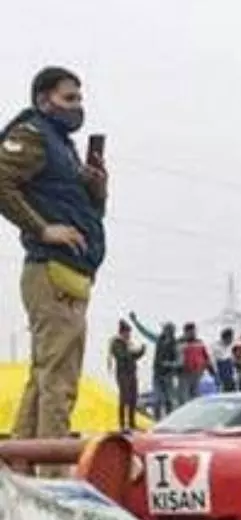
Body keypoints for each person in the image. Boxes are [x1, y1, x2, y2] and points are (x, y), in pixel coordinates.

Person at [0, 66, 107, 452]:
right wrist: (43, 229)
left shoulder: (63, 146)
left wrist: (97, 188)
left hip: (69, 271)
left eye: (79, 98)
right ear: (44, 100)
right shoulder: (32, 135)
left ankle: (21, 467)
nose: (77, 106)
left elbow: (88, 214)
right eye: (68, 98)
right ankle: (53, 474)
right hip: (52, 271)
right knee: (58, 383)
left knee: (44, 378)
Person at [129, 313, 179, 418]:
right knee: (158, 399)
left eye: (165, 329)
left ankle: (169, 419)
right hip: (158, 374)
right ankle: (157, 419)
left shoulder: (175, 344)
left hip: (168, 375)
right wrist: (135, 322)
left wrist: (169, 364)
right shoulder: (159, 339)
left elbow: (179, 361)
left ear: (169, 331)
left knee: (168, 399)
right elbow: (145, 332)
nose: (163, 331)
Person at [106, 319, 145, 431]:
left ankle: (132, 423)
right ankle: (122, 424)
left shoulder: (128, 344)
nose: (129, 335)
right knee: (124, 397)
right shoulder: (116, 343)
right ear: (122, 332)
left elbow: (133, 357)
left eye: (129, 333)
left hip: (132, 372)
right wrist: (131, 352)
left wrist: (141, 351)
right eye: (127, 332)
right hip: (123, 374)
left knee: (133, 398)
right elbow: (121, 356)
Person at [178, 322, 210, 401]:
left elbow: (206, 356)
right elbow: (176, 357)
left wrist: (205, 367)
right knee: (185, 396)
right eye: (190, 332)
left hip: (197, 373)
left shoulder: (199, 342)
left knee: (196, 395)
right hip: (184, 373)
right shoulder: (180, 342)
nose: (193, 333)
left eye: (194, 331)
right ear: (185, 332)